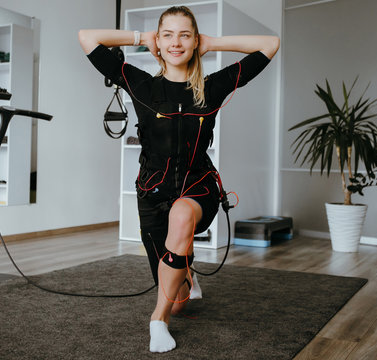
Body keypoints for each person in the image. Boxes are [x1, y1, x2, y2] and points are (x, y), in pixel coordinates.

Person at [79, 5, 279, 353]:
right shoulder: (140, 83)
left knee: (182, 217)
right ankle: (187, 276)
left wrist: (212, 43)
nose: (176, 43)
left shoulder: (212, 87)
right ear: (159, 41)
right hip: (153, 194)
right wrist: (143, 38)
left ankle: (158, 320)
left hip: (198, 189)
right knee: (182, 298)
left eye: (185, 35)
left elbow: (270, 43)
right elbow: (87, 38)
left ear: (194, 41)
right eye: (167, 35)